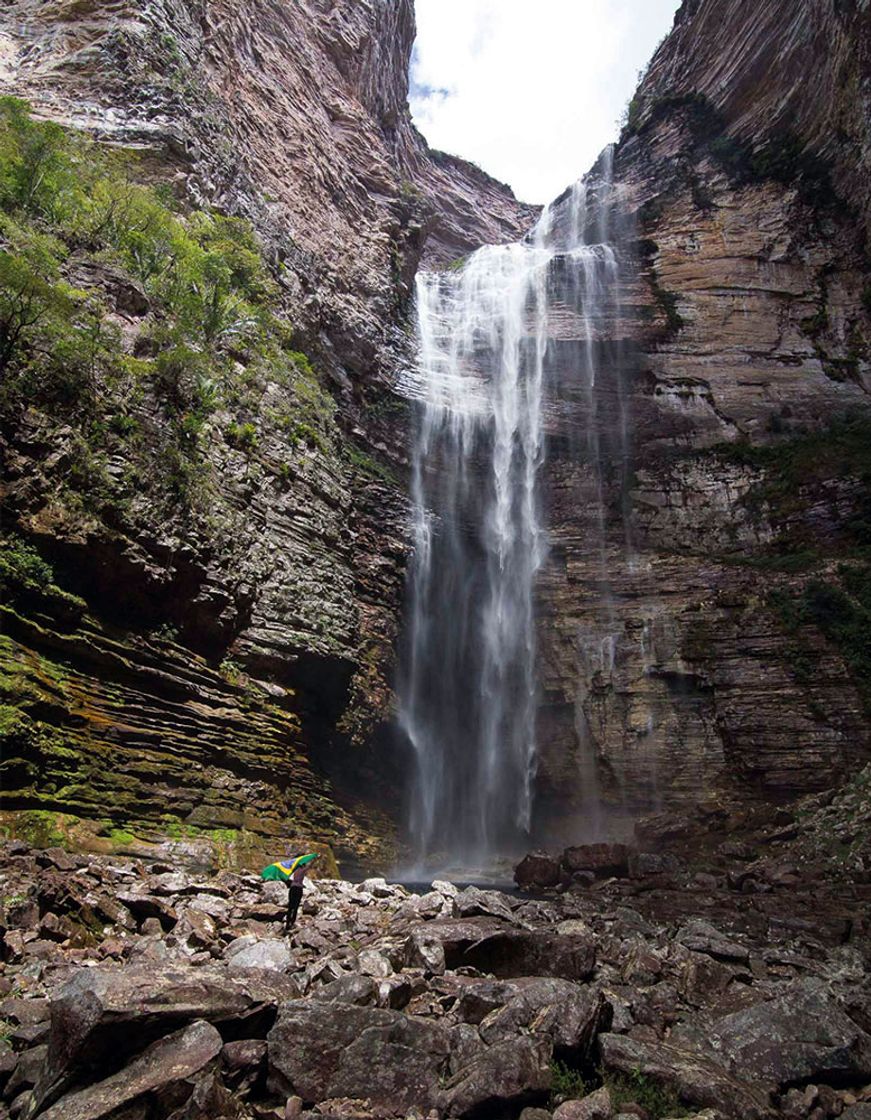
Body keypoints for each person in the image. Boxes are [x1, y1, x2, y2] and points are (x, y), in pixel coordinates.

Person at [284, 849, 319, 932]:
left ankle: (287, 925)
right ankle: (292, 923)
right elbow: (310, 865)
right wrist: (315, 858)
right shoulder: (303, 870)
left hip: (292, 888)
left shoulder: (293, 869)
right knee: (295, 907)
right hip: (299, 888)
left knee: (290, 907)